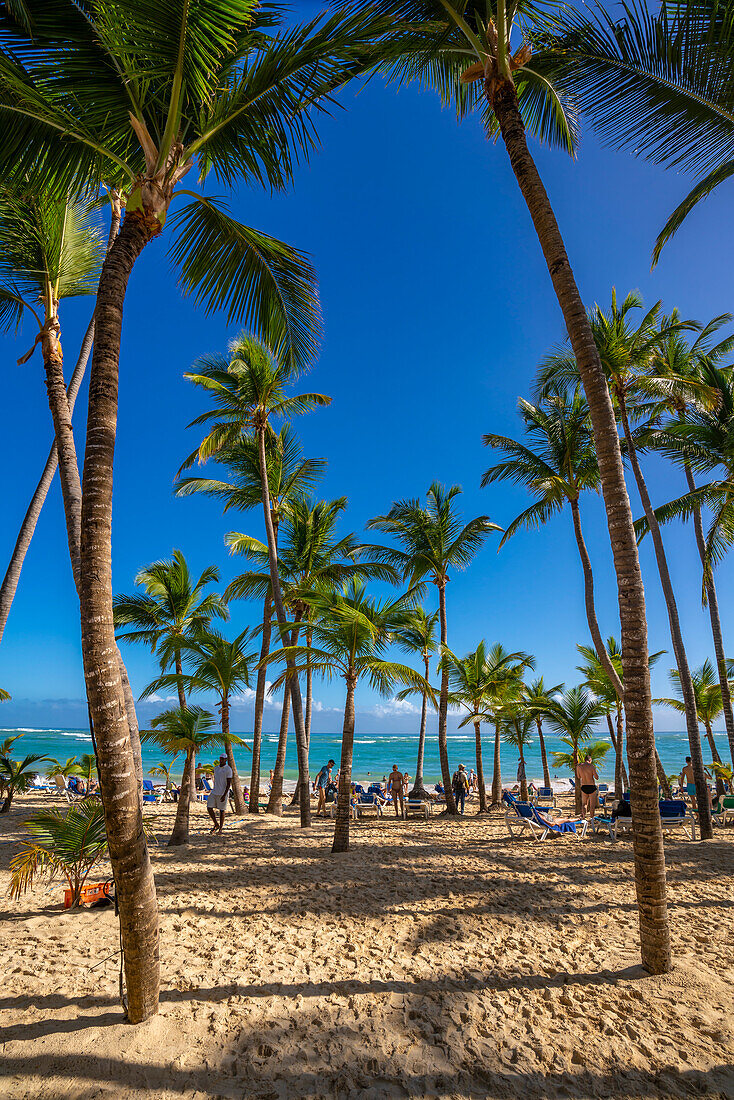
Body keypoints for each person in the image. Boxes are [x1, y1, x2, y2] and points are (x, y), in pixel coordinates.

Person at [207, 754, 232, 835]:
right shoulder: (216, 768)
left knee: (222, 811)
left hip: (223, 793)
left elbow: (228, 784)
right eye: (220, 759)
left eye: (223, 759)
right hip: (214, 791)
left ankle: (220, 828)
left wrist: (224, 795)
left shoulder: (228, 769)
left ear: (226, 760)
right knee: (209, 807)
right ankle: (216, 824)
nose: (221, 760)